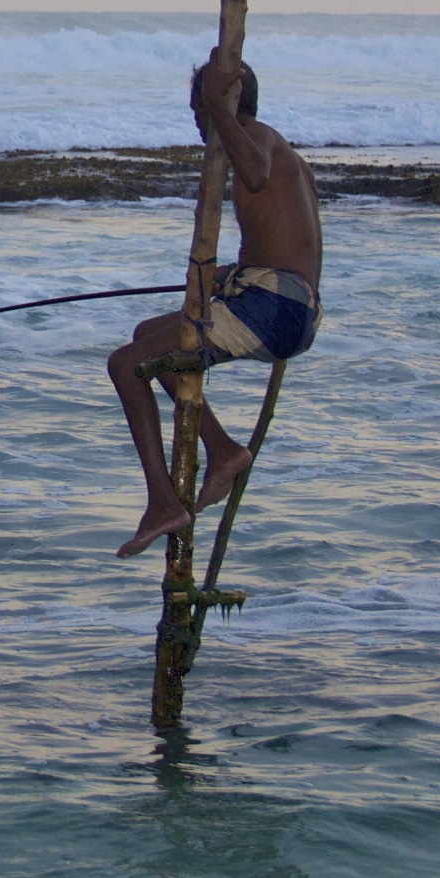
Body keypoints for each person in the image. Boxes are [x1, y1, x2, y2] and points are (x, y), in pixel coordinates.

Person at [106, 58, 322, 558]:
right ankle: (222, 450)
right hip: (285, 302)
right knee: (146, 334)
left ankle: (163, 501)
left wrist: (218, 110)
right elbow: (284, 246)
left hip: (274, 307)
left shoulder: (259, 141)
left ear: (222, 108)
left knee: (125, 365)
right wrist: (228, 273)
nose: (198, 126)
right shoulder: (287, 154)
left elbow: (254, 173)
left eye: (199, 113)